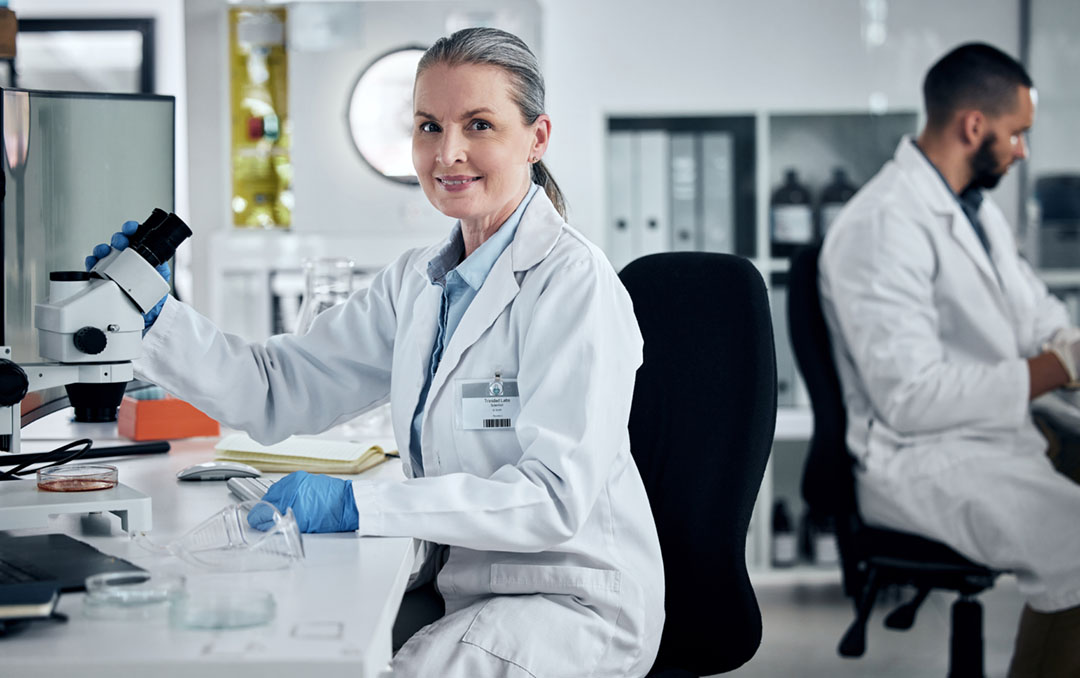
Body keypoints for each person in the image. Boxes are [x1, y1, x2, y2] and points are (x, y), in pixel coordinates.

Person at [87, 28, 664, 677]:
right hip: (468, 588)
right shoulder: (416, 283)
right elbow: (276, 388)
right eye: (428, 126)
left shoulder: (574, 284)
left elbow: (554, 499)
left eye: (478, 124)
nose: (448, 152)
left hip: (568, 605)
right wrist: (156, 316)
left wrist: (356, 505)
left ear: (537, 138)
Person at [819, 42, 1080, 676]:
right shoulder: (882, 224)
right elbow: (911, 399)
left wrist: (1066, 344)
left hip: (979, 437)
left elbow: (1036, 316)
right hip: (915, 458)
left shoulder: (975, 211)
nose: (1022, 151)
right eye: (1017, 134)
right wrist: (1061, 367)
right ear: (973, 126)